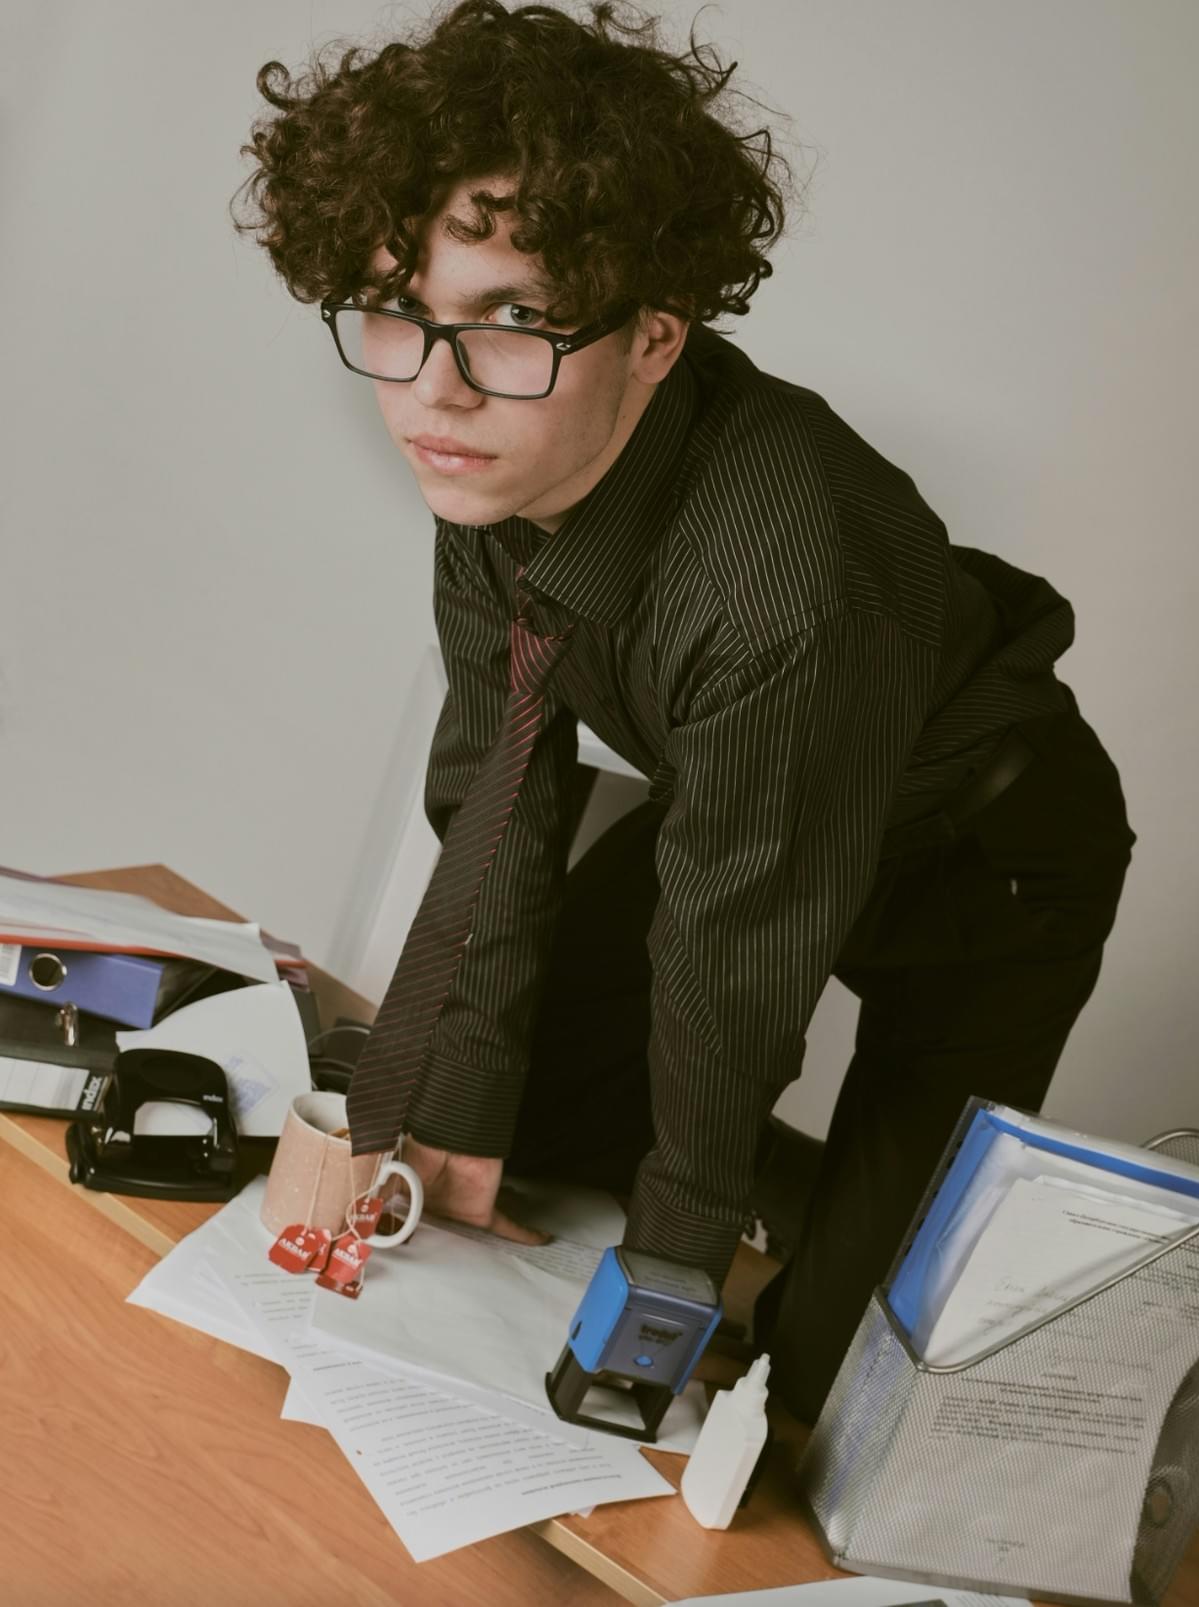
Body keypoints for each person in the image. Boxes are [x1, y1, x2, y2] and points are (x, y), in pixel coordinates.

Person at [233, 0, 1136, 1421]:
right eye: (399, 309)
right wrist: (456, 1104)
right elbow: (496, 789)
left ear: (656, 336)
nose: (432, 390)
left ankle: (817, 1215)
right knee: (509, 1120)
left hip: (979, 851)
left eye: (513, 320)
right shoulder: (496, 458)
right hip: (746, 791)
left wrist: (671, 1266)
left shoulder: (786, 577)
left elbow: (741, 954)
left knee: (824, 1382)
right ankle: (772, 1174)